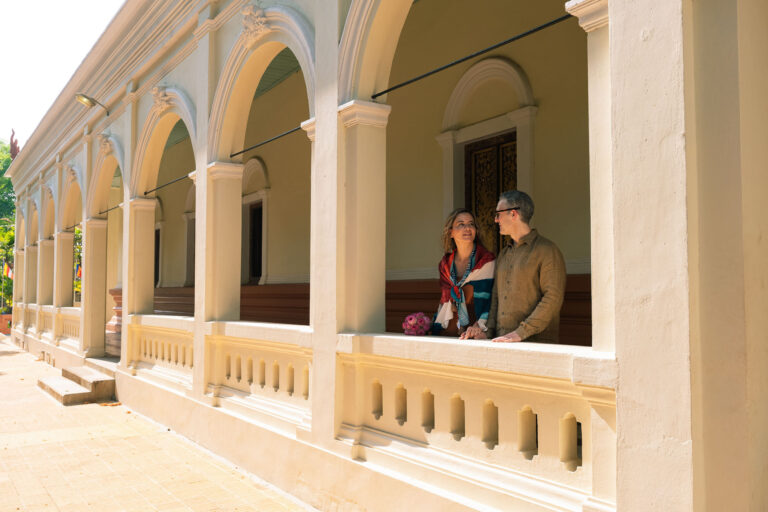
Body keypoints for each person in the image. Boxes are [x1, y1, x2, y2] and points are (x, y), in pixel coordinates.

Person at [461, 190, 565, 343]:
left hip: (536, 343)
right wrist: (487, 331)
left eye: (498, 214)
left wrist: (520, 333)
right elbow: (495, 298)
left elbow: (553, 298)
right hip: (501, 341)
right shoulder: (503, 254)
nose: (496, 220)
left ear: (513, 214)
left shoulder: (547, 251)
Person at [431, 208, 495, 337]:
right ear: (451, 233)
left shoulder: (486, 261)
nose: (467, 228)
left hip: (476, 330)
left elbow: (492, 300)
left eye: (471, 224)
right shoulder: (445, 264)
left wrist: (479, 326)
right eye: (461, 224)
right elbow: (443, 301)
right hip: (449, 329)